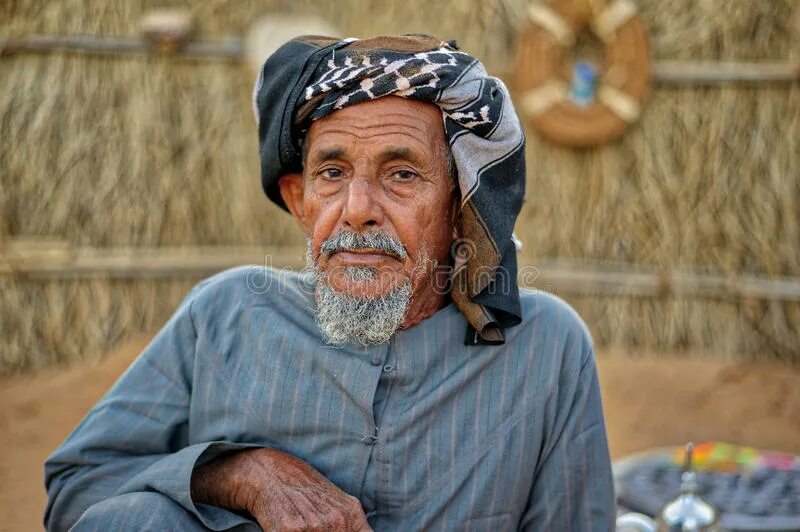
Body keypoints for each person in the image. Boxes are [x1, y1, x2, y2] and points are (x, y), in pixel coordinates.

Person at [44, 34, 614, 531]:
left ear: (461, 206)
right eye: (332, 172)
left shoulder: (547, 347)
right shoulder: (225, 315)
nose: (358, 209)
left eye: (402, 174)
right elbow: (77, 492)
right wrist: (237, 473)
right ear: (299, 199)